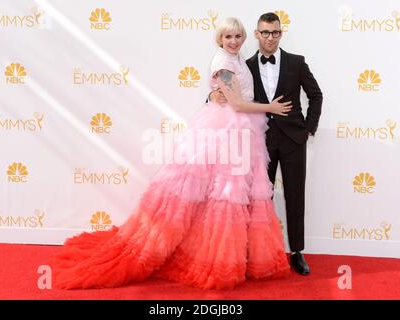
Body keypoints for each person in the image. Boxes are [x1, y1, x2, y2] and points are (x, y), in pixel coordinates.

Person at [53, 17, 292, 290]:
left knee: (226, 196)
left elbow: (236, 96)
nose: (234, 41)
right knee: (223, 194)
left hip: (241, 131)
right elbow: (237, 103)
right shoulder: (223, 63)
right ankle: (214, 260)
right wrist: (270, 108)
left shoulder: (236, 59)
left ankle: (229, 256)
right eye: (228, 37)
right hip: (226, 130)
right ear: (220, 39)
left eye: (238, 36)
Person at [210, 13, 323, 275]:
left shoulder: (297, 62)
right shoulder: (244, 63)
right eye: (265, 32)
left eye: (275, 32)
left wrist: (308, 129)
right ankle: (257, 253)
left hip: (294, 139)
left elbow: (316, 95)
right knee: (260, 198)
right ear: (257, 34)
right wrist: (212, 94)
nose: (270, 37)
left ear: (280, 34)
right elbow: (233, 93)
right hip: (261, 140)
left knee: (295, 195)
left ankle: (297, 251)